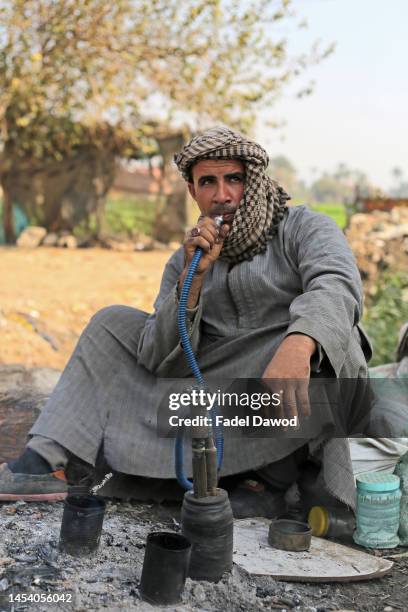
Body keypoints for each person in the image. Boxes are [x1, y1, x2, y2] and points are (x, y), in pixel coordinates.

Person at [0, 127, 373, 516]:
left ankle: (271, 479)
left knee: (334, 333)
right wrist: (191, 282)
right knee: (111, 322)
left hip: (283, 379)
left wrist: (300, 342)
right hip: (215, 391)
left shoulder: (303, 227)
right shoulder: (186, 258)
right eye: (207, 182)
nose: (222, 194)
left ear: (255, 180)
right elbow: (160, 358)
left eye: (234, 179)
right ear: (193, 192)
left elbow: (338, 283)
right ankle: (42, 460)